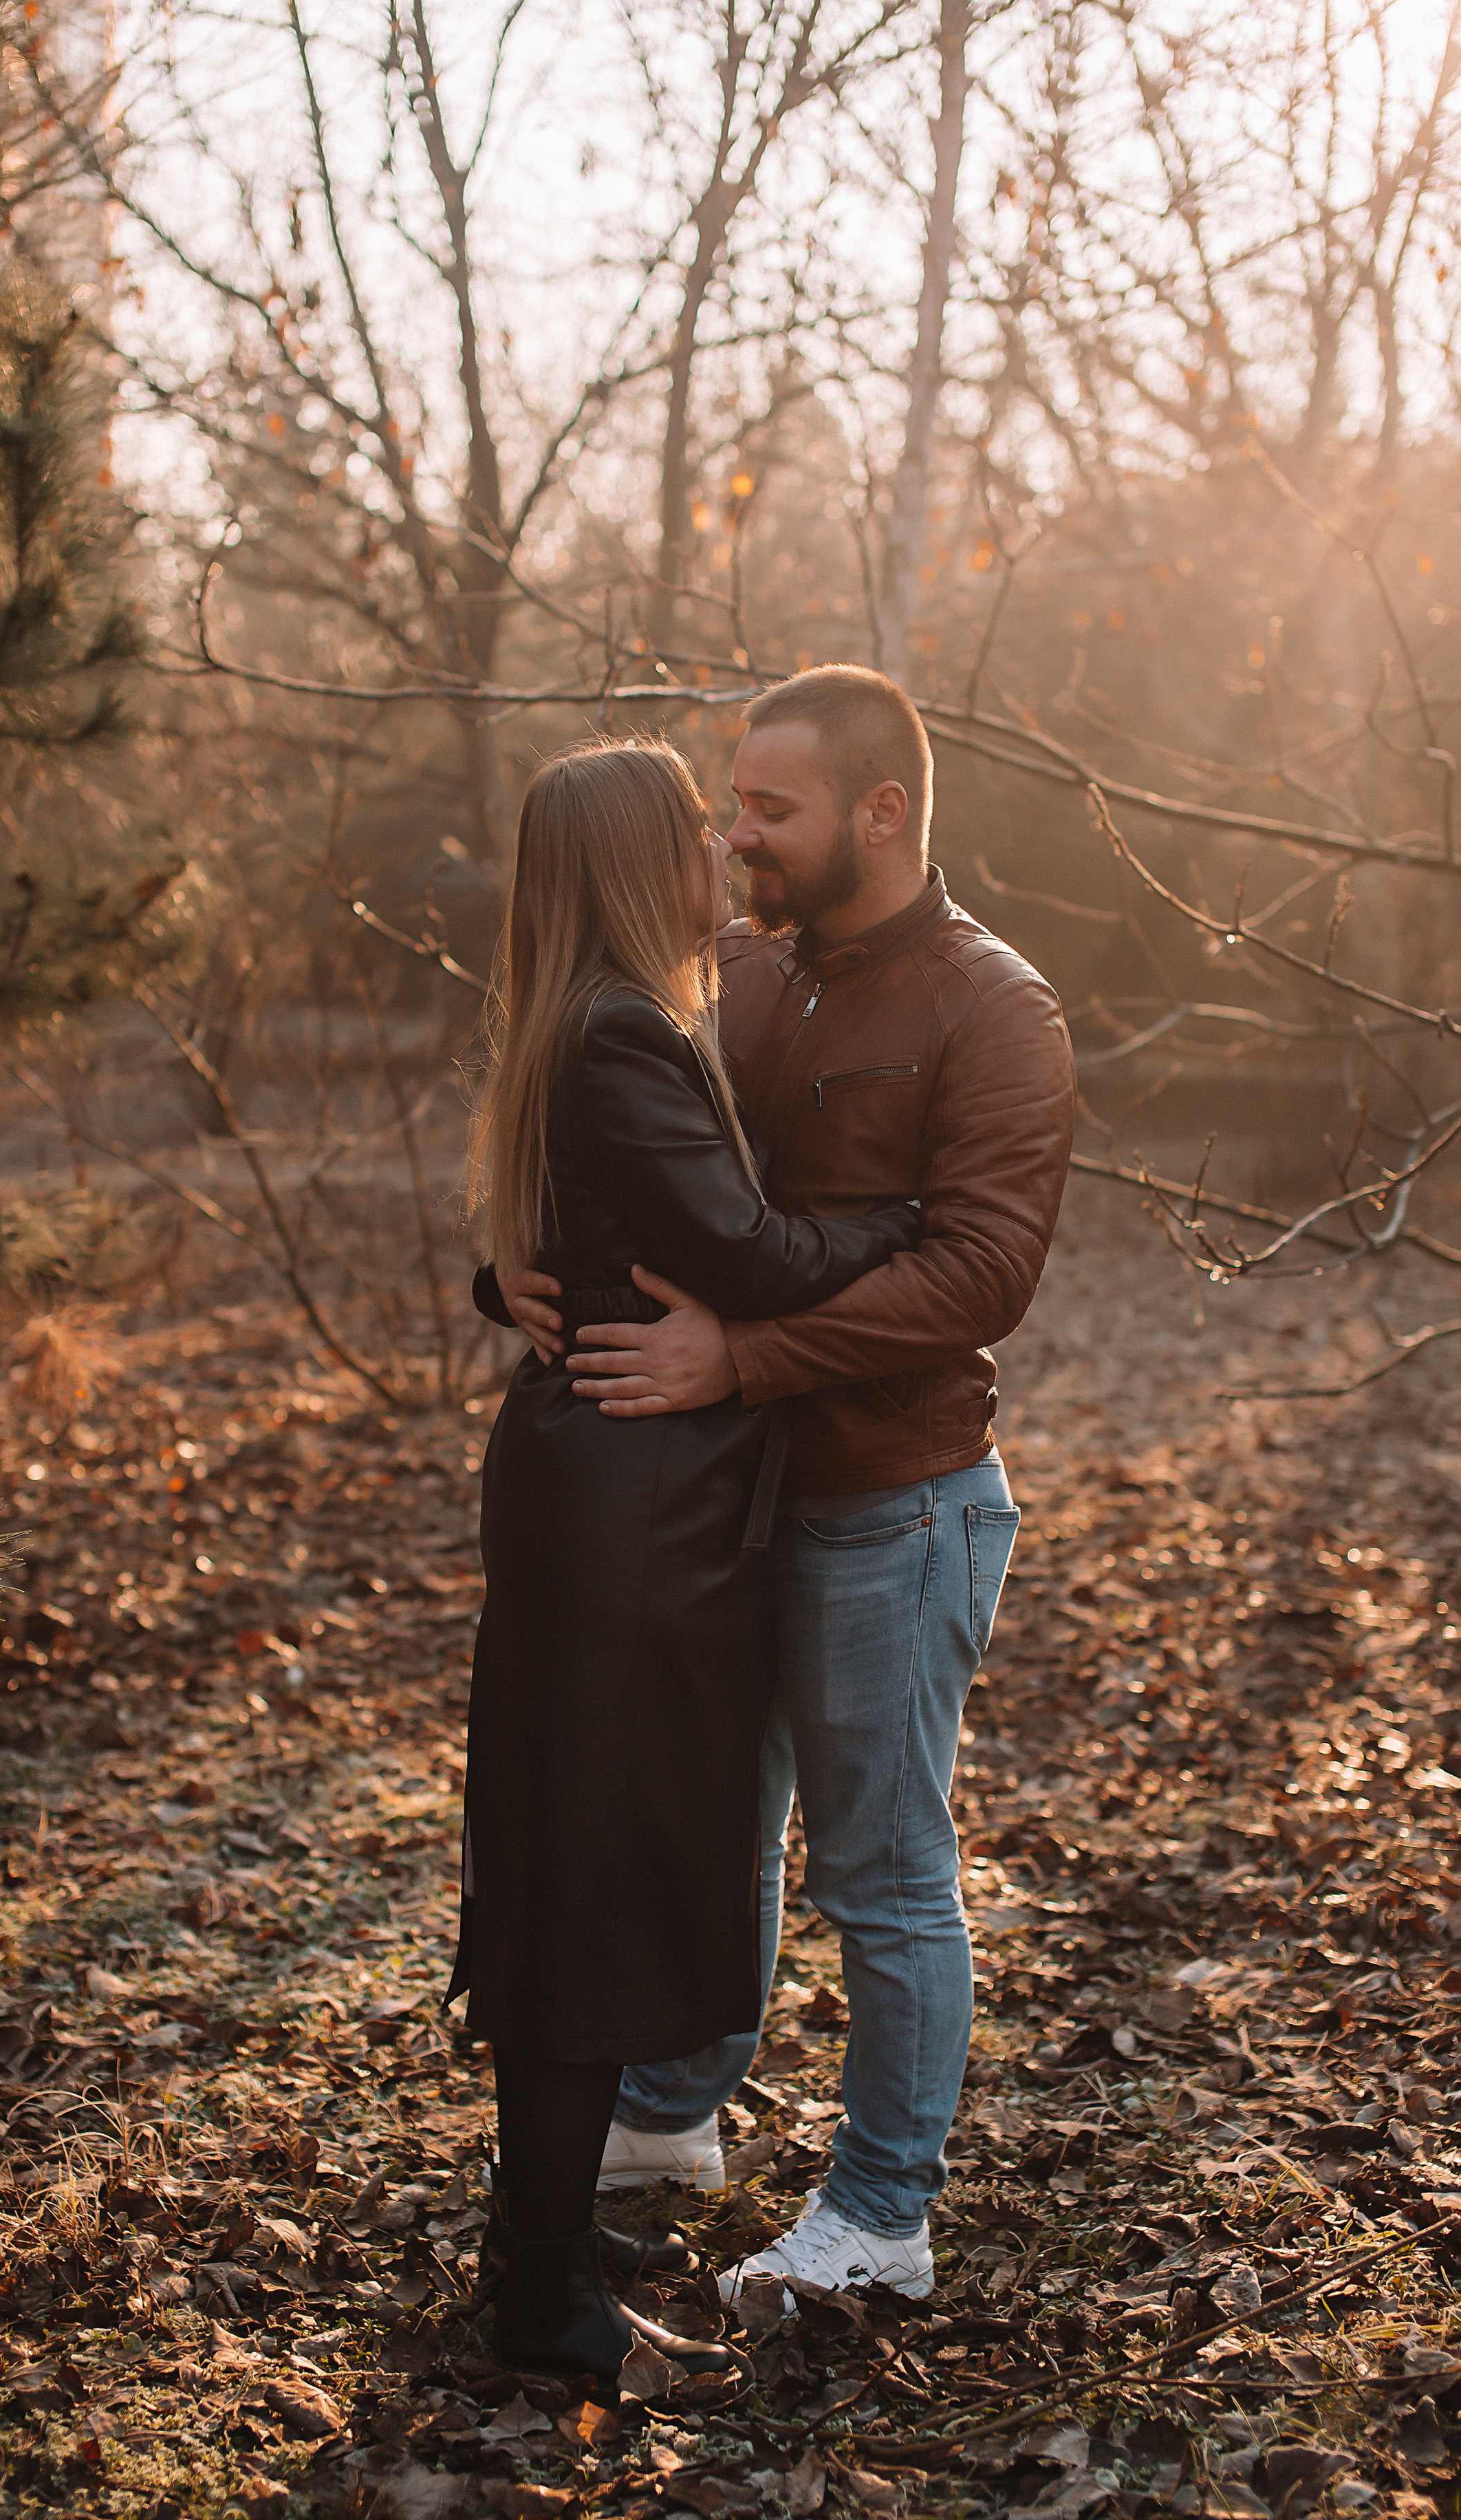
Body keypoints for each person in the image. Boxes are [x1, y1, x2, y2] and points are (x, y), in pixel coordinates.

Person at [498, 666, 1076, 2305]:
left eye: (768, 810)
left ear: (878, 814)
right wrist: (515, 1277)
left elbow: (977, 1276)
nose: (734, 836)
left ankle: (880, 2215)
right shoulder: (734, 978)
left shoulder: (994, 1008)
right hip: (709, 1501)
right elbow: (636, 1172)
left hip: (890, 1500)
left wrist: (736, 1363)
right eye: (726, 808)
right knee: (719, 1833)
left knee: (879, 1872)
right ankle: (676, 2110)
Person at [454, 737, 923, 2388]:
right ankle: (547, 2299)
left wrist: (498, 1279)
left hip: (604, 1496)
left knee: (577, 1858)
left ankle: (538, 2258)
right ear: (634, 863)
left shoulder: (569, 1024)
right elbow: (748, 1256)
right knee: (592, 1872)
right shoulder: (621, 1037)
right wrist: (910, 1229)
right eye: (694, 832)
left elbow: (570, 1233)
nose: (723, 856)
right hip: (631, 1519)